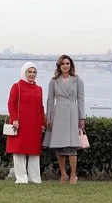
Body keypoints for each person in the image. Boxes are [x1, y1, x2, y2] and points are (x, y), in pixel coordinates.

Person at [43, 54, 85, 184]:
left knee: (72, 147)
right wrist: (48, 117)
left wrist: (82, 117)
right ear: (59, 66)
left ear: (71, 65)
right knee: (59, 146)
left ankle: (73, 175)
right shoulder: (54, 81)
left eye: (67, 63)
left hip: (72, 113)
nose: (65, 66)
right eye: (63, 64)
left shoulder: (77, 80)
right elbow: (50, 99)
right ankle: (63, 174)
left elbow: (81, 99)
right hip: (58, 114)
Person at [6, 62, 46, 184]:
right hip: (20, 123)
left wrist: (42, 123)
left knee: (34, 152)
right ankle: (21, 178)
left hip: (34, 124)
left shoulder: (39, 89)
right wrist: (15, 119)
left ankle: (34, 178)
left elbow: (40, 107)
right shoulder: (16, 86)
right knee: (19, 151)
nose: (32, 74)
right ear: (24, 72)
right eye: (30, 72)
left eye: (34, 72)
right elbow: (11, 103)